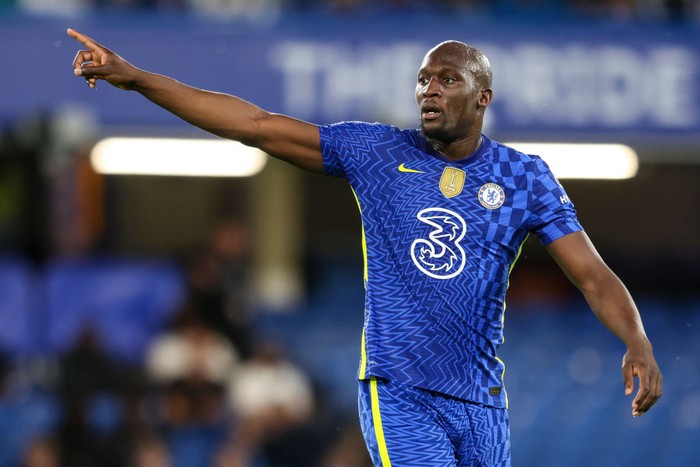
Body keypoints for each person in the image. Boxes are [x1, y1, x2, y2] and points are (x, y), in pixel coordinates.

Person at [67, 29, 663, 466]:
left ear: (482, 98)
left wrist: (635, 338)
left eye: (448, 79)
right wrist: (139, 78)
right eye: (424, 80)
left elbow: (591, 275)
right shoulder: (377, 154)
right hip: (398, 390)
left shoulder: (524, 178)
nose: (430, 90)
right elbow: (254, 125)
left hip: (481, 400)